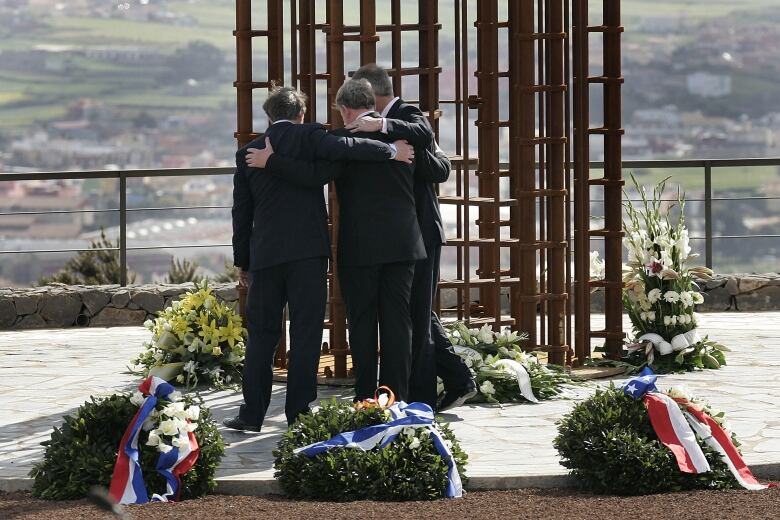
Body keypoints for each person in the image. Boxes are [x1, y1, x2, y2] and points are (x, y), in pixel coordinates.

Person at [226, 86, 414, 432]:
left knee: (262, 336)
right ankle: (299, 414)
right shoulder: (312, 139)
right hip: (309, 256)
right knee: (307, 333)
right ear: (301, 115)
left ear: (268, 117)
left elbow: (241, 213)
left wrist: (243, 261)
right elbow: (350, 147)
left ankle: (252, 414)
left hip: (265, 256)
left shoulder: (249, 153)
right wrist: (390, 151)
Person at [349, 64, 477, 411]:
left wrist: (385, 129)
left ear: (372, 95)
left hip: (419, 230)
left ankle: (421, 395)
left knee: (416, 314)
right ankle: (455, 379)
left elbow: (440, 168)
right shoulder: (377, 126)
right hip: (399, 235)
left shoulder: (406, 115)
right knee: (413, 311)